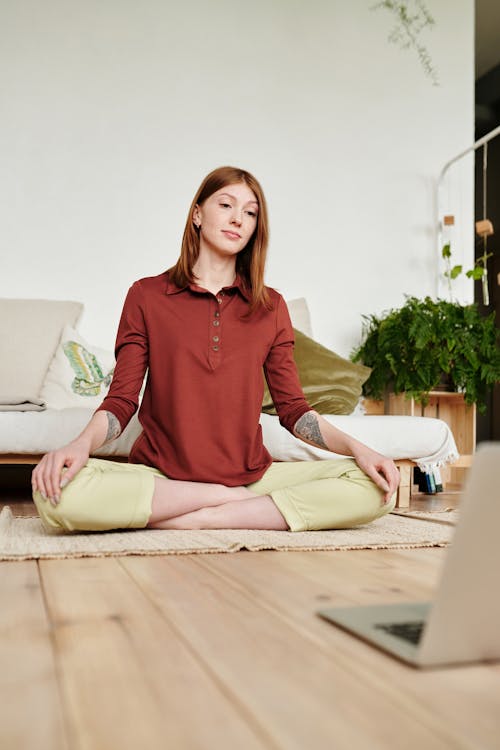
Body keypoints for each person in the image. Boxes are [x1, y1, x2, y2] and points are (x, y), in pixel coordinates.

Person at [32, 166, 399, 533]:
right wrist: (80, 445)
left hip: (251, 478)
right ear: (197, 214)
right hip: (162, 479)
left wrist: (358, 449)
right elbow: (122, 402)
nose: (238, 218)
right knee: (55, 491)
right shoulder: (146, 296)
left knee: (372, 486)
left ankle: (196, 518)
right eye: (226, 204)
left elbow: (294, 411)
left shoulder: (271, 307)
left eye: (250, 212)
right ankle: (235, 507)